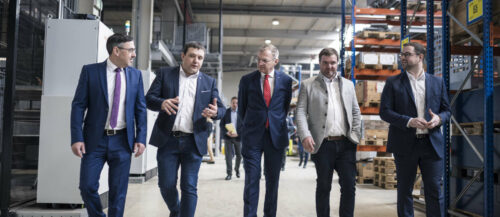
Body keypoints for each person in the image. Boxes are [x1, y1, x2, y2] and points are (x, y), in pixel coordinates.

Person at [70, 33, 147, 217]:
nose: (134, 54)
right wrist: (77, 137)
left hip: (122, 140)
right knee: (87, 186)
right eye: (131, 50)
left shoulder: (136, 76)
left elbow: (140, 110)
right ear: (116, 51)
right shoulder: (90, 71)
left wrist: (141, 138)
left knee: (118, 193)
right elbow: (78, 106)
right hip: (94, 140)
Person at [145, 41, 225, 217]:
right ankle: (176, 211)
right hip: (168, 139)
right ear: (183, 56)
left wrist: (216, 111)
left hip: (193, 141)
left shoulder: (209, 83)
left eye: (200, 57)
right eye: (192, 56)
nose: (196, 61)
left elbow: (222, 109)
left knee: (189, 186)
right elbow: (149, 99)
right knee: (165, 185)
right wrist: (162, 102)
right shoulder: (165, 74)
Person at [380, 42, 450, 217]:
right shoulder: (393, 82)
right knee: (404, 191)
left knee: (434, 191)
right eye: (402, 55)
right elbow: (385, 112)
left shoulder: (437, 82)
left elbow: (447, 111)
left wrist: (438, 119)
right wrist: (409, 121)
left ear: (420, 57)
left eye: (407, 54)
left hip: (431, 143)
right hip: (405, 145)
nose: (403, 57)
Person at [296, 48, 361, 217]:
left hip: (346, 143)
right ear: (320, 63)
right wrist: (305, 135)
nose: (329, 66)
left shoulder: (348, 85)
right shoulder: (308, 85)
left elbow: (355, 111)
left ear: (337, 63)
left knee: (349, 186)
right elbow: (301, 112)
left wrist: (355, 133)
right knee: (324, 186)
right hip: (322, 143)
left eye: (332, 63)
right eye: (325, 63)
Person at [238, 44, 293, 217]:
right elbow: (242, 109)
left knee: (272, 182)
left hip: (275, 138)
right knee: (251, 180)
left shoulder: (286, 81)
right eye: (258, 59)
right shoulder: (247, 80)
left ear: (275, 61)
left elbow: (284, 108)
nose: (260, 63)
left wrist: (274, 122)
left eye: (264, 60)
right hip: (252, 138)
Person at [219, 96, 242, 180]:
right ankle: (229, 173)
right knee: (228, 156)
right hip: (228, 137)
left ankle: (237, 169)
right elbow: (221, 125)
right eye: (233, 103)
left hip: (238, 137)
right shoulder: (226, 112)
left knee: (239, 155)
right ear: (230, 103)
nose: (235, 104)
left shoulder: (241, 113)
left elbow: (245, 126)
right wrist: (226, 132)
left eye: (236, 103)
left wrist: (238, 134)